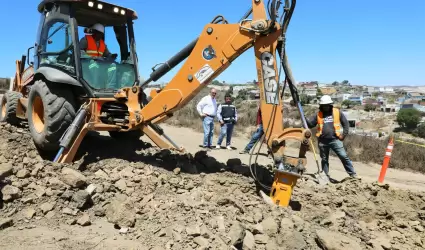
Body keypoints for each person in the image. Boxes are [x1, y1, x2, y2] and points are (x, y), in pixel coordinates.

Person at [305, 95, 359, 179]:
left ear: (330, 105)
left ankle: (352, 174)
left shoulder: (337, 112)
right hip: (322, 141)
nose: (326, 107)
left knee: (343, 156)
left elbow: (345, 124)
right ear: (321, 106)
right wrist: (305, 120)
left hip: (335, 140)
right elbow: (311, 125)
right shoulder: (318, 114)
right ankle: (325, 175)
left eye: (327, 105)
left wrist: (344, 135)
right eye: (324, 105)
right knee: (324, 159)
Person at [79, 23, 118, 89]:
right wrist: (92, 57)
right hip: (87, 64)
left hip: (100, 63)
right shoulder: (85, 40)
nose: (99, 35)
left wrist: (111, 56)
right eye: (98, 33)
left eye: (101, 34)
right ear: (93, 32)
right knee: (94, 65)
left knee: (113, 66)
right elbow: (79, 52)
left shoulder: (102, 44)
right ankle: (95, 86)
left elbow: (107, 54)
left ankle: (110, 87)